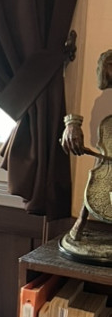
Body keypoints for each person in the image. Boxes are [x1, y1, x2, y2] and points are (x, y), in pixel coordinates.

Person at [61, 49, 112, 242]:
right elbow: (76, 113)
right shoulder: (101, 99)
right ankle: (81, 220)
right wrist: (71, 124)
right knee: (97, 173)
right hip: (106, 156)